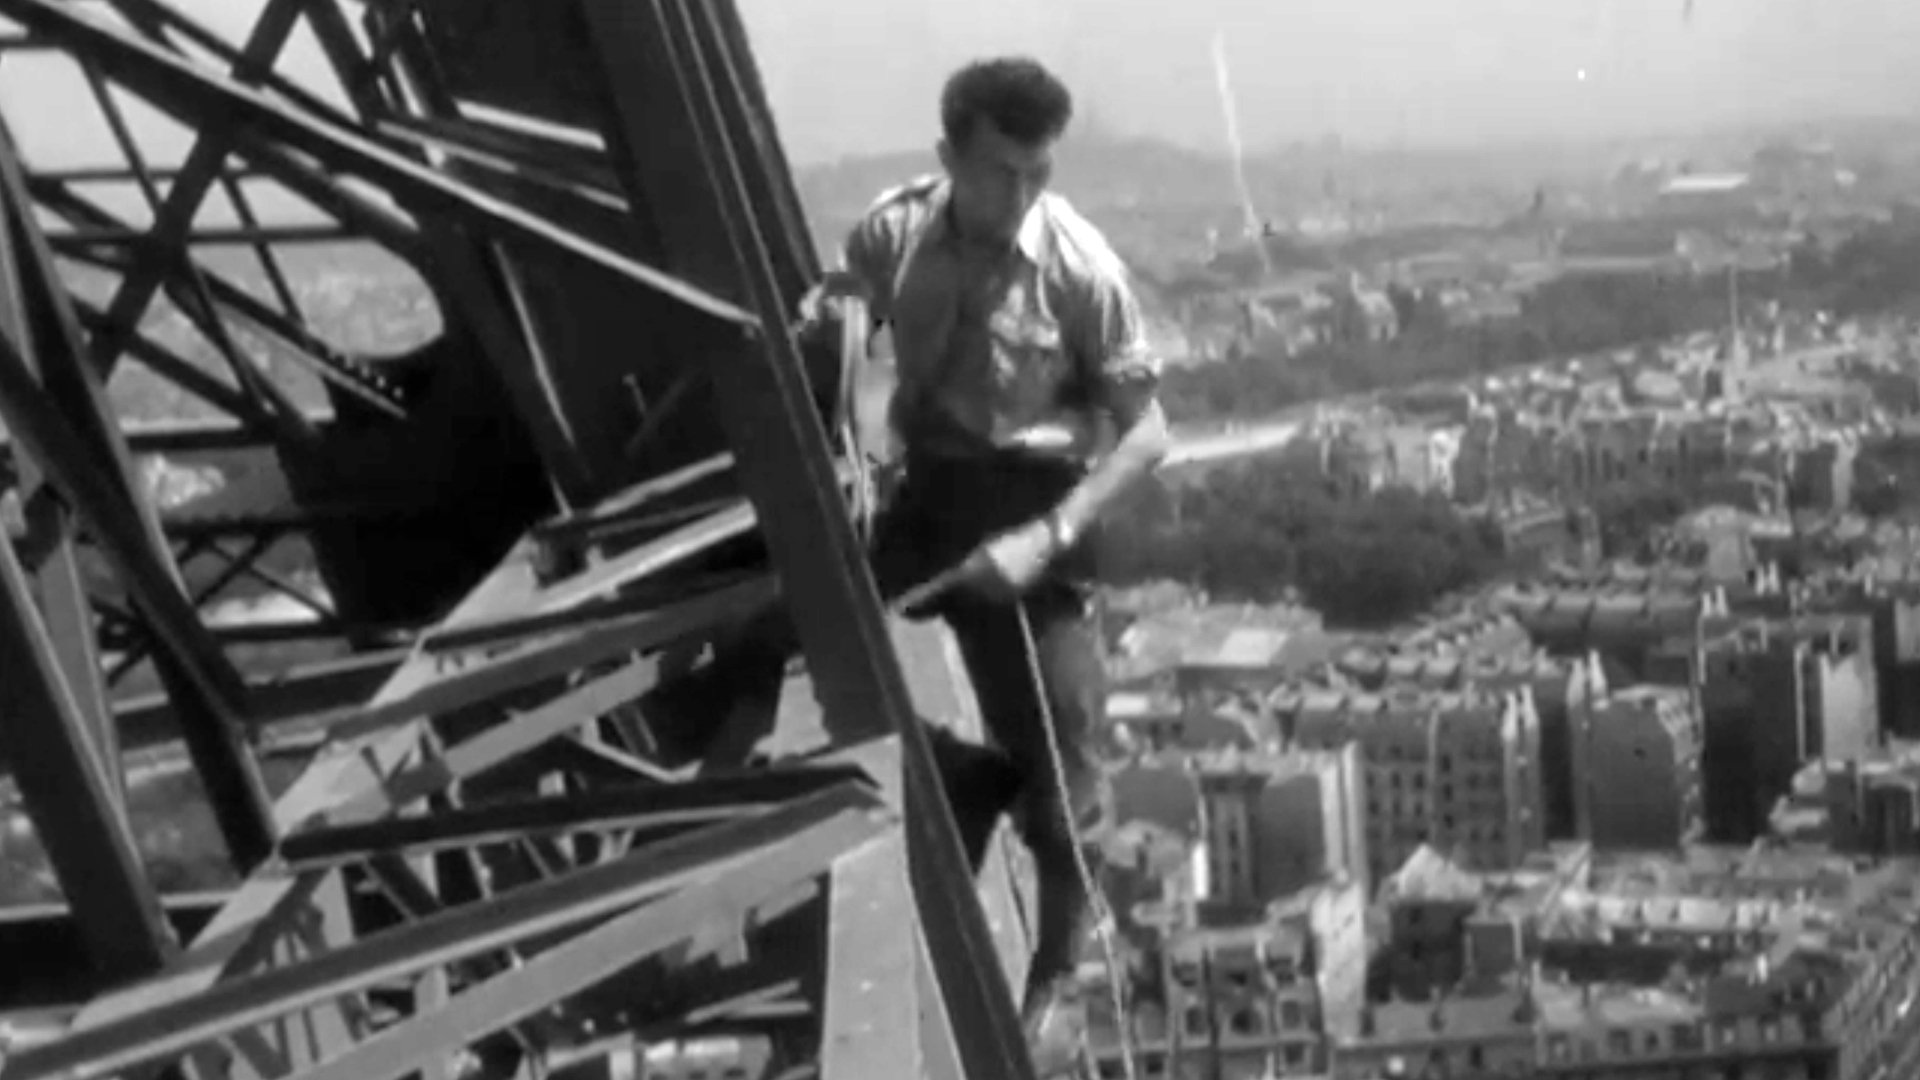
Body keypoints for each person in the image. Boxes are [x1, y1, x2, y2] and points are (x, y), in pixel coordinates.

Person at [806, 56, 1171, 1070]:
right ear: (947, 160)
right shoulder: (893, 232)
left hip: (1033, 509)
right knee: (793, 620)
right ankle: (960, 772)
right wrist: (867, 444)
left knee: (1067, 766)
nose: (1022, 197)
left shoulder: (1080, 270)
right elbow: (860, 339)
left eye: (1039, 174)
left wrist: (1046, 539)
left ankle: (1055, 973)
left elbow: (1146, 438)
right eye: (1002, 172)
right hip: (926, 491)